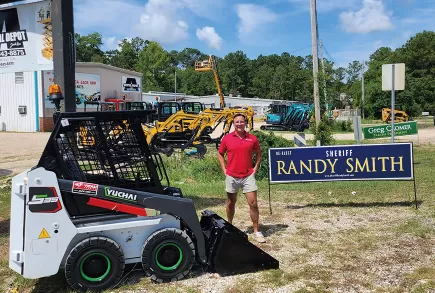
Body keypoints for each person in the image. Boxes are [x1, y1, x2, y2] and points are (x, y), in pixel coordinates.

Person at [217, 113, 265, 243]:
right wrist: (224, 169)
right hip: (231, 176)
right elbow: (220, 154)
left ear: (245, 123)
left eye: (241, 121)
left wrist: (255, 168)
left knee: (253, 203)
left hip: (248, 176)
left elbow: (259, 153)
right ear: (234, 124)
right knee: (231, 202)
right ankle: (230, 226)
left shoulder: (252, 139)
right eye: (237, 122)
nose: (239, 124)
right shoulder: (227, 138)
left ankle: (256, 231)